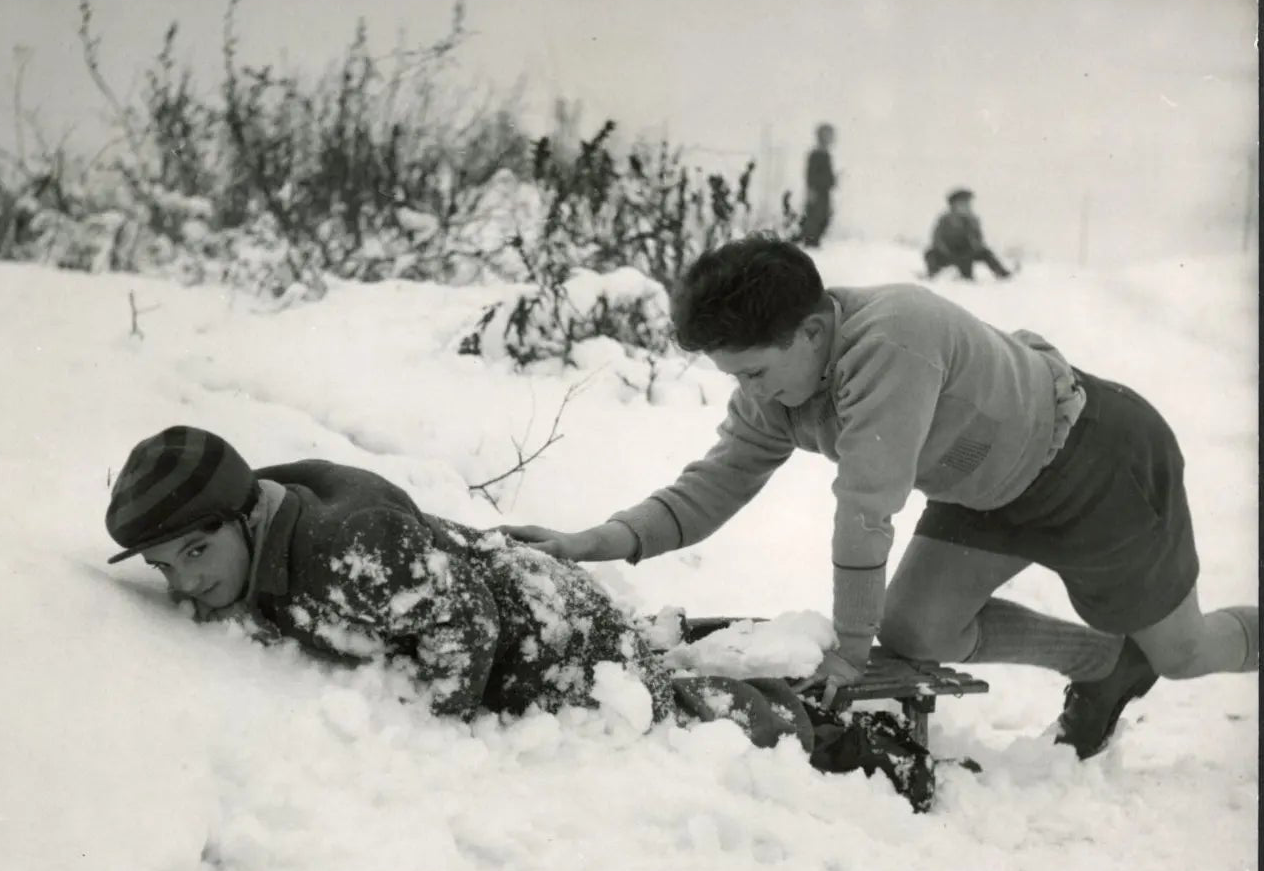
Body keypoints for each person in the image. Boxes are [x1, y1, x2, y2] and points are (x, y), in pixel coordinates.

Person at [502, 235, 1259, 761]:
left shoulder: (893, 340)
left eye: (755, 373)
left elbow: (866, 509)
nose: (748, 394)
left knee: (1187, 652)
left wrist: (853, 652)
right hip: (983, 491)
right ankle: (1105, 665)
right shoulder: (781, 382)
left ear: (811, 330)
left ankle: (1159, 654)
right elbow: (712, 487)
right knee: (919, 629)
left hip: (1095, 467)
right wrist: (589, 542)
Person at [105, 426, 943, 809]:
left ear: (245, 518)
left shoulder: (343, 548)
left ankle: (865, 745)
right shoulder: (273, 512)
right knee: (661, 673)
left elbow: (462, 624)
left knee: (684, 719)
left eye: (193, 554)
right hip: (510, 587)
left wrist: (442, 728)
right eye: (164, 567)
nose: (183, 584)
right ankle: (722, 647)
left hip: (548, 638)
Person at [924, 188, 1012, 280]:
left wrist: (974, 243)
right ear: (953, 206)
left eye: (968, 203)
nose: (966, 206)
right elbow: (937, 239)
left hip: (967, 253)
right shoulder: (945, 220)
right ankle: (932, 274)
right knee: (930, 254)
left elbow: (978, 240)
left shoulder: (973, 220)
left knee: (986, 253)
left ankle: (1001, 273)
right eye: (962, 204)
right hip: (948, 253)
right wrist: (946, 251)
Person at [799, 123, 837, 249]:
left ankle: (814, 243)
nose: (831, 138)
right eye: (828, 135)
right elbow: (811, 176)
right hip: (816, 192)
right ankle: (810, 243)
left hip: (824, 192)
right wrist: (812, 190)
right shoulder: (816, 154)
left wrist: (832, 180)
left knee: (825, 216)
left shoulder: (826, 154)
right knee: (816, 217)